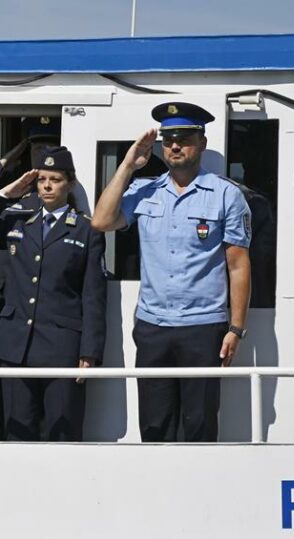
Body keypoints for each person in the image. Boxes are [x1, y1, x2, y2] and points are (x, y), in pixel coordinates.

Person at [91, 102, 252, 442]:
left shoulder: (226, 196)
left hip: (203, 327)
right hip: (154, 328)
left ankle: (199, 493)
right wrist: (127, 165)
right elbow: (101, 221)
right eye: (168, 139)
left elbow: (238, 265)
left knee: (200, 424)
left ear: (202, 143)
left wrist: (236, 328)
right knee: (154, 424)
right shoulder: (144, 190)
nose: (175, 145)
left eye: (184, 137)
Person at [0, 146, 106, 440]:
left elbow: (93, 295)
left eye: (55, 179)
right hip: (16, 346)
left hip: (62, 347)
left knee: (63, 432)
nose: (47, 185)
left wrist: (89, 352)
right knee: (17, 432)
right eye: (42, 179)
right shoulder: (17, 221)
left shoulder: (86, 230)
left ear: (69, 184)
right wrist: (6, 194)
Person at [0, 116, 63, 440]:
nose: (41, 152)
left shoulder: (55, 196)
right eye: (36, 145)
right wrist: (12, 157)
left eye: (48, 145)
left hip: (38, 308)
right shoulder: (13, 193)